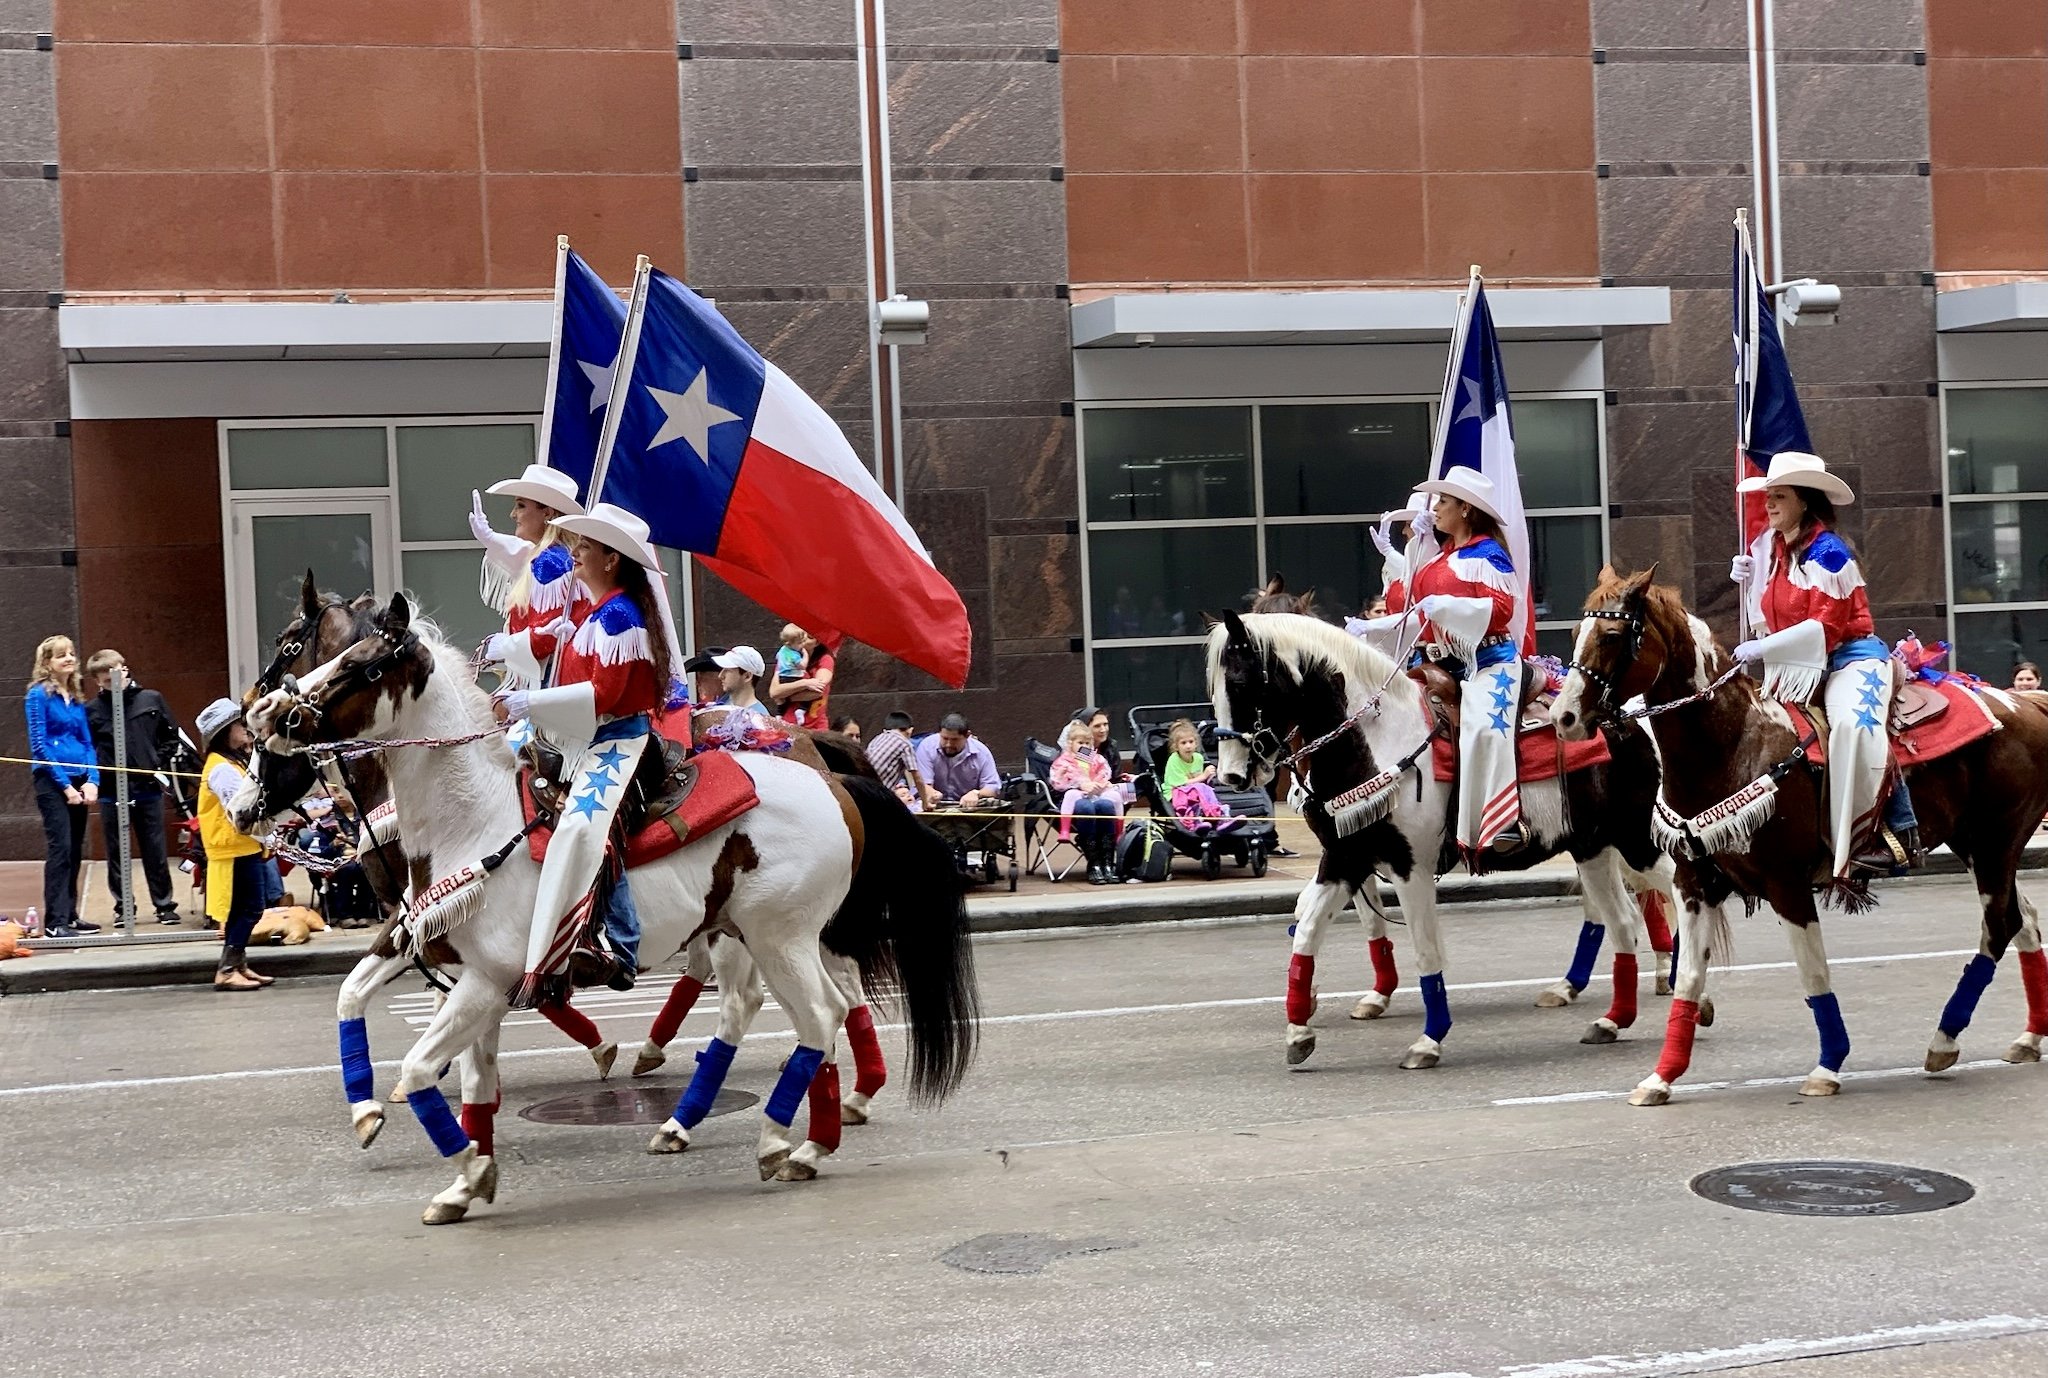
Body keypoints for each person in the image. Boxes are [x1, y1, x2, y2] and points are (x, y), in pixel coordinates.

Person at [495, 502, 686, 997]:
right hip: (585, 739)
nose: (574, 551)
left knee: (583, 827)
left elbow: (603, 697)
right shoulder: (596, 614)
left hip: (620, 740)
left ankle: (619, 947)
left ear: (611, 560)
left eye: (586, 546)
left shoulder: (620, 617)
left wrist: (531, 704)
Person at [1731, 451, 1918, 877]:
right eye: (1768, 496)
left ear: (1804, 500)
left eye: (1778, 496)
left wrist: (1763, 651)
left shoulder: (1828, 552)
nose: (1769, 504)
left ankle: (1895, 831)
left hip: (1851, 657)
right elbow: (1768, 620)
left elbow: (1825, 627)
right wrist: (1748, 587)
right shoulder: (1781, 549)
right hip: (1803, 664)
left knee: (1854, 727)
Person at [1406, 471, 1524, 855]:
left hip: (1490, 662)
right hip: (1442, 664)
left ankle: (1506, 822)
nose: (1435, 508)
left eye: (1442, 502)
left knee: (1486, 730)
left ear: (1466, 508)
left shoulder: (1487, 553)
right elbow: (1412, 605)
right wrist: (1414, 548)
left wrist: (1450, 608)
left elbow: (1502, 610)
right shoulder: (1439, 559)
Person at [83, 650, 181, 924]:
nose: (111, 685)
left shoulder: (151, 699)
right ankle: (123, 907)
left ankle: (164, 905)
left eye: (114, 676)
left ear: (125, 670)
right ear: (97, 682)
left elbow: (170, 736)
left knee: (155, 849)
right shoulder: (92, 711)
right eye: (104, 682)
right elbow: (89, 747)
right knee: (116, 851)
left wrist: (155, 763)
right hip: (111, 790)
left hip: (146, 787)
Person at [471, 465, 589, 690]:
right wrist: (491, 539)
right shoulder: (558, 555)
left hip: (551, 681)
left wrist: (507, 646)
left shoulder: (550, 562)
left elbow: (546, 637)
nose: (513, 514)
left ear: (547, 513)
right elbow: (519, 553)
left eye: (521, 506)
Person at [195, 697, 276, 991]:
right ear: (224, 732)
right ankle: (228, 968)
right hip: (234, 850)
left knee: (244, 909)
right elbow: (239, 812)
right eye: (240, 725)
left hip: (241, 848)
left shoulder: (231, 763)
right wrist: (269, 837)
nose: (246, 729)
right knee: (250, 909)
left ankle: (237, 964)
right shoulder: (222, 769)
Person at [25, 636, 100, 937]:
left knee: (75, 851)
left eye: (71, 654)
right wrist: (66, 786)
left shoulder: (76, 695)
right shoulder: (37, 696)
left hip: (81, 778)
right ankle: (55, 921)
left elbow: (87, 742)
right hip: (52, 781)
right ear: (47, 663)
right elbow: (40, 745)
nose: (69, 659)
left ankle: (70, 914)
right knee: (61, 848)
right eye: (60, 656)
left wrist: (93, 781)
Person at [1051, 718, 1123, 883]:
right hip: (1074, 797)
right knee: (1085, 807)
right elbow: (1057, 781)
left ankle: (1107, 862)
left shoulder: (1094, 758)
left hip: (1097, 795)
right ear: (1070, 744)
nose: (1084, 747)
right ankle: (1094, 863)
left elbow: (1105, 772)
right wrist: (1080, 784)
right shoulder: (1064, 760)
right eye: (1080, 743)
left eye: (1088, 743)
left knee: (1106, 804)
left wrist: (1099, 783)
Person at [915, 712, 1001, 810]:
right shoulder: (927, 747)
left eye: (954, 740)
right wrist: (931, 793)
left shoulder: (981, 752)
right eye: (945, 738)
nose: (948, 744)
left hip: (967, 809)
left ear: (967, 735)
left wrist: (976, 793)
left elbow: (993, 788)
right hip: (934, 808)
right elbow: (923, 784)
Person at [1163, 718, 1236, 833]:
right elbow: (1181, 784)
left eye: (1191, 742)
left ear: (1196, 743)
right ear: (1176, 746)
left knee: (1206, 788)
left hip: (1194, 793)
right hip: (1175, 793)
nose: (1188, 746)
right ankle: (1211, 817)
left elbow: (1199, 782)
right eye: (1183, 743)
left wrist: (1208, 776)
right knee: (1201, 788)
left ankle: (1219, 818)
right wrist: (1203, 776)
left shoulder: (1198, 758)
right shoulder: (1174, 760)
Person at [866, 710, 932, 811]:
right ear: (910, 730)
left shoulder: (877, 738)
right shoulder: (904, 743)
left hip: (863, 790)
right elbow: (917, 777)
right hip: (879, 794)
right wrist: (925, 803)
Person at [769, 629, 834, 728]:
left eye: (809, 637)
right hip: (788, 726)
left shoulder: (825, 659)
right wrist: (804, 683)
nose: (803, 640)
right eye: (801, 636)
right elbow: (774, 692)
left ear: (817, 643)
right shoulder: (786, 657)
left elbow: (818, 690)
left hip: (815, 728)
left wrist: (785, 696)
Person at [709, 646, 772, 717]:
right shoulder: (723, 706)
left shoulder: (758, 718)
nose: (720, 676)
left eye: (728, 670)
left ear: (747, 676)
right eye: (723, 669)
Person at [774, 624, 806, 693]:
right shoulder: (795, 655)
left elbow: (777, 657)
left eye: (803, 641)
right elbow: (802, 666)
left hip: (781, 677)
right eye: (800, 643)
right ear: (789, 644)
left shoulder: (782, 649)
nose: (803, 644)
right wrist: (806, 655)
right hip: (793, 677)